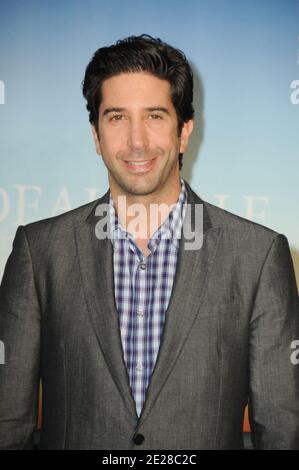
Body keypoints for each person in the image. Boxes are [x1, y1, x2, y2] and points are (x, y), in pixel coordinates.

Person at [0, 34, 298, 450]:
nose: (137, 141)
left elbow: (282, 431)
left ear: (184, 132)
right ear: (95, 134)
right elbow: (7, 423)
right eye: (117, 117)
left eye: (155, 116)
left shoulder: (258, 256)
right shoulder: (40, 251)